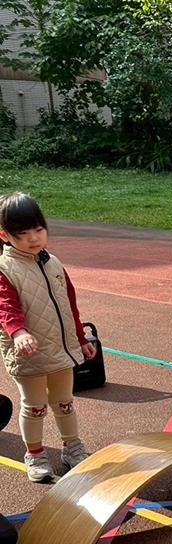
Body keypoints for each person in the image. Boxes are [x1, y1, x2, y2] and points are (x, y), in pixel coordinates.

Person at [0, 192, 95, 483]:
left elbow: (69, 305)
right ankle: (35, 454)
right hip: (27, 352)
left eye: (39, 230)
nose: (33, 238)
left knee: (65, 401)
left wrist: (80, 338)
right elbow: (5, 307)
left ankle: (72, 447)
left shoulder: (53, 263)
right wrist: (19, 333)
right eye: (23, 234)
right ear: (4, 235)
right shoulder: (5, 269)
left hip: (60, 350)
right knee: (34, 406)